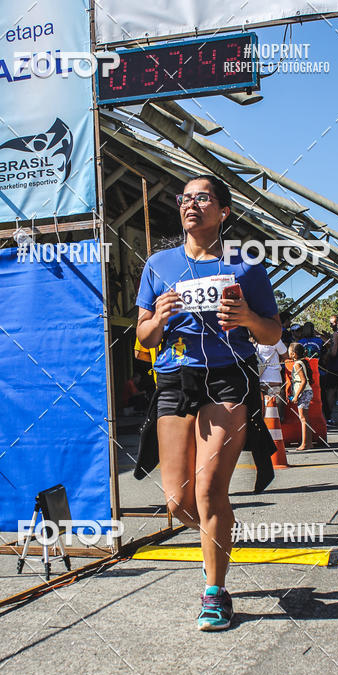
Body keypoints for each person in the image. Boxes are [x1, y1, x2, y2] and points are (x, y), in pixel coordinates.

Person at [135, 175, 281, 631]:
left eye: (203, 198)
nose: (191, 204)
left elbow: (274, 333)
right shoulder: (158, 265)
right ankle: (214, 545)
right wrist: (156, 318)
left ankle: (216, 592)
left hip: (228, 379)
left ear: (223, 213)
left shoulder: (246, 266)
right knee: (178, 501)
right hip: (176, 379)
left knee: (209, 489)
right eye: (185, 198)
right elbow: (143, 336)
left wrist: (249, 319)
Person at [288, 342, 314, 450]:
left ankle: (304, 444)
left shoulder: (297, 364)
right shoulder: (302, 362)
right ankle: (309, 443)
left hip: (303, 393)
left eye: (289, 351)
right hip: (306, 392)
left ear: (293, 354)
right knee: (305, 418)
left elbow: (303, 381)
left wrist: (296, 396)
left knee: (303, 419)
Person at [256, 338, 287, 419]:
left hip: (259, 378)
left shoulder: (254, 341)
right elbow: (286, 356)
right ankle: (276, 427)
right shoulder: (275, 339)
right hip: (274, 378)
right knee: (275, 411)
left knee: (262, 411)